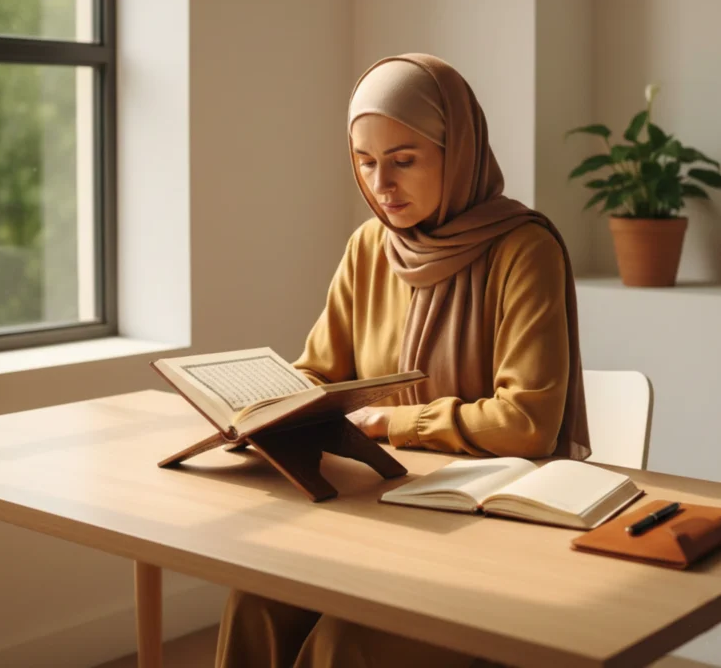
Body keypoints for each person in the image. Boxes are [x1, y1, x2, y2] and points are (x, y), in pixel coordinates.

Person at [215, 53, 591, 668]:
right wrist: (265, 408)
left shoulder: (525, 249)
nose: (381, 185)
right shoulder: (370, 246)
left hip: (485, 522)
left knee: (345, 645)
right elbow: (318, 372)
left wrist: (391, 422)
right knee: (254, 602)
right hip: (376, 506)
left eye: (404, 160)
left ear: (458, 150)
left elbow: (527, 422)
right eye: (365, 162)